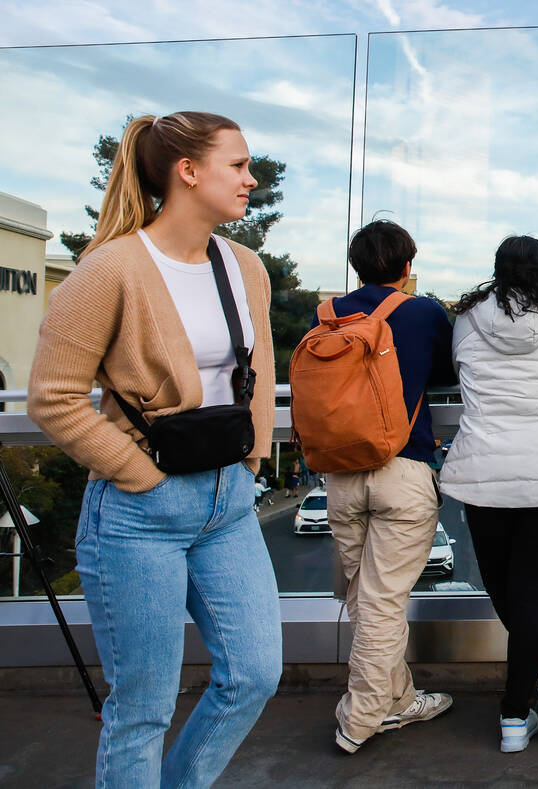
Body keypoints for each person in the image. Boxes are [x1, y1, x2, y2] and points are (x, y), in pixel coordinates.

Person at [27, 111, 280, 787]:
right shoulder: (110, 269)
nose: (250, 179)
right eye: (238, 164)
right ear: (187, 172)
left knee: (255, 672)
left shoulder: (245, 266)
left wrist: (251, 457)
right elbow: (51, 396)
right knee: (142, 709)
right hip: (139, 514)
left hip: (227, 504)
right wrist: (140, 473)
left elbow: (259, 375)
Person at [439, 235, 538, 752]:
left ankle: (520, 701)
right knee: (529, 591)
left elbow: (458, 371)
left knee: (503, 586)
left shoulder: (467, 319)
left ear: (497, 272)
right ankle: (521, 699)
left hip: (483, 471)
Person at [316, 220, 458, 754]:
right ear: (406, 266)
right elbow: (445, 372)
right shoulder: (422, 313)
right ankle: (363, 715)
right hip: (403, 469)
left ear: (356, 265)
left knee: (364, 598)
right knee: (381, 602)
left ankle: (399, 700)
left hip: (342, 471)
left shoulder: (327, 315)